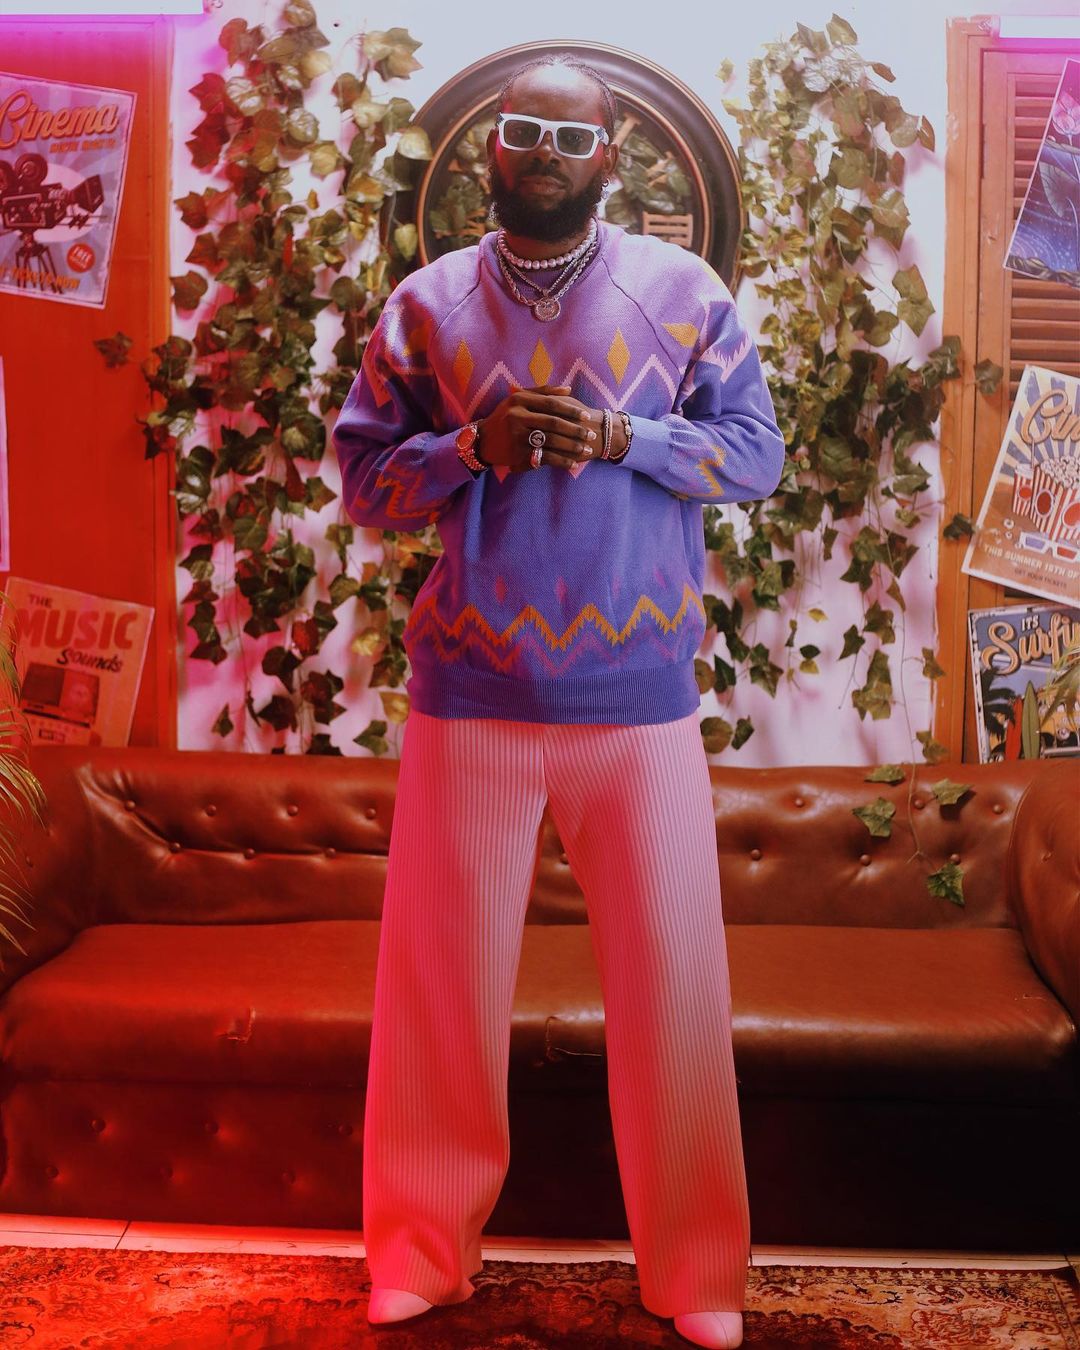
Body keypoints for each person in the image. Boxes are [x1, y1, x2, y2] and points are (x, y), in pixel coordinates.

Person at [332, 51, 785, 1350]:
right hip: (469, 696)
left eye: (571, 135)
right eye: (524, 128)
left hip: (639, 705)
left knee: (675, 992)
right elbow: (365, 483)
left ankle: (696, 1271)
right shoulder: (424, 305)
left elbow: (757, 456)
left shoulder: (685, 292)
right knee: (440, 992)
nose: (544, 150)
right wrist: (470, 448)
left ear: (612, 153)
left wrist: (630, 438)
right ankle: (422, 1252)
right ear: (492, 144)